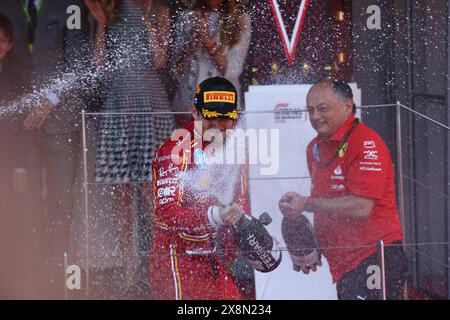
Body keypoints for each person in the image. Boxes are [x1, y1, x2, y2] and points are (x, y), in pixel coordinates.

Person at [278, 78, 407, 300]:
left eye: (323, 108)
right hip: (345, 264)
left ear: (348, 106)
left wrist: (306, 203)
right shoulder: (314, 148)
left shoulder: (367, 143)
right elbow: (330, 200)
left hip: (375, 256)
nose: (316, 116)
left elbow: (361, 207)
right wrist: (313, 243)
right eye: (311, 110)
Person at [86, 0, 174, 294]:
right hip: (118, 103)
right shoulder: (109, 9)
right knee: (121, 193)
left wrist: (148, 20)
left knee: (151, 191)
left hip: (150, 104)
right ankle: (128, 269)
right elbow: (98, 64)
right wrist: (100, 22)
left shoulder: (161, 10)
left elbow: (160, 60)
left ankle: (157, 265)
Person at [148, 76, 250, 300]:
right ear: (195, 112)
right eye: (211, 118)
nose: (218, 127)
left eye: (225, 119)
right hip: (176, 260)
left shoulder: (236, 147)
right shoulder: (175, 150)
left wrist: (249, 241)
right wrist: (214, 215)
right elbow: (165, 214)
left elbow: (241, 202)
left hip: (213, 258)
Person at [171, 0, 251, 126]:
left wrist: (208, 41)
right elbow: (176, 71)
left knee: (223, 145)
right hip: (188, 106)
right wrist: (192, 43)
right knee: (189, 145)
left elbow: (233, 70)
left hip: (223, 105)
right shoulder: (187, 17)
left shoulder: (240, 20)